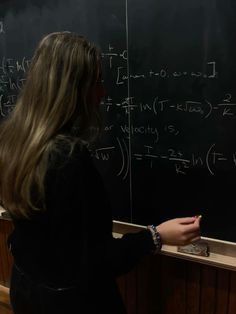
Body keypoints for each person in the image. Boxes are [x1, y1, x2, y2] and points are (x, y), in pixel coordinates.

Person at [0, 32, 201, 314]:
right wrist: (155, 236)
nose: (102, 93)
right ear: (71, 90)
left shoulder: (15, 140)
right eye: (95, 83)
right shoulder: (66, 160)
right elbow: (93, 261)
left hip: (27, 288)